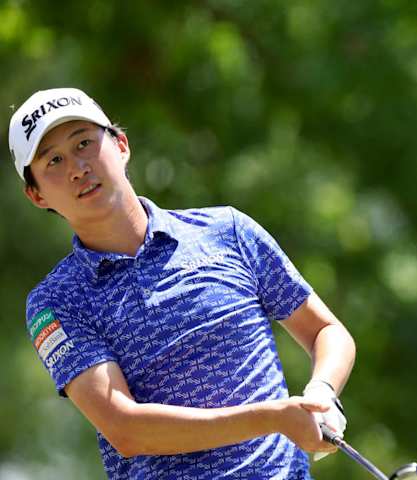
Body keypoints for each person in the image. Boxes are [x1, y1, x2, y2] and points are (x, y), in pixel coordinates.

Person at [8, 87, 356, 479]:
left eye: (84, 143)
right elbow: (126, 429)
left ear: (121, 145)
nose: (76, 167)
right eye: (53, 160)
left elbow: (326, 330)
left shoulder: (228, 230)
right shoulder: (56, 302)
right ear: (36, 195)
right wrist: (272, 418)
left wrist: (321, 392)